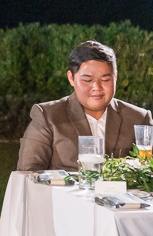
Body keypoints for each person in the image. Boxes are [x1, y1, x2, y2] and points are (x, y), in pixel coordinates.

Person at [17, 40, 152, 171]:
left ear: (115, 76)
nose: (96, 87)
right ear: (71, 78)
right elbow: (28, 174)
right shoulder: (48, 116)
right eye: (87, 80)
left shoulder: (138, 118)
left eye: (105, 79)